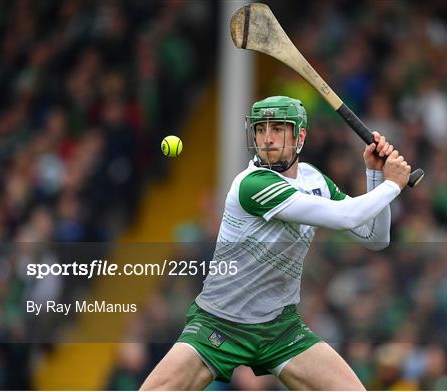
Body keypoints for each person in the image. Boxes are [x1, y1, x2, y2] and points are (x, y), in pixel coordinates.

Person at [140, 96, 411, 390]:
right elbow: (347, 217)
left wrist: (375, 174)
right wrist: (392, 184)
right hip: (220, 323)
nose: (266, 139)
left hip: (280, 328)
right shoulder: (253, 184)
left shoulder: (314, 180)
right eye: (260, 130)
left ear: (300, 136)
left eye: (278, 129)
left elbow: (375, 237)